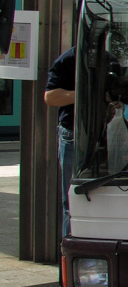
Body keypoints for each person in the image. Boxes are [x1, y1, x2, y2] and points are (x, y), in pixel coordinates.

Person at [43, 46, 76, 238]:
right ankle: (69, 247)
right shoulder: (68, 59)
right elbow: (50, 96)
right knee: (70, 199)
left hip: (103, 132)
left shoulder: (110, 59)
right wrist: (81, 94)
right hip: (72, 132)